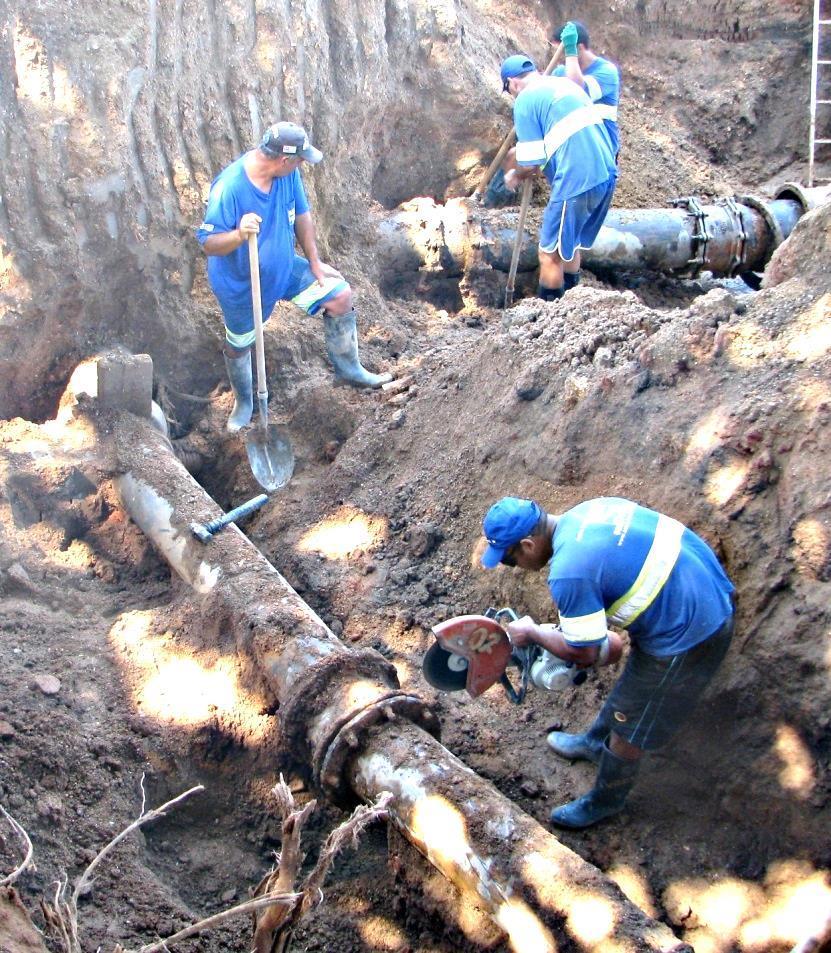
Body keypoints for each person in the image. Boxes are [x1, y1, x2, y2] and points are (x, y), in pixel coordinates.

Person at [480, 496, 735, 829]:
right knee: (635, 683)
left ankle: (606, 800)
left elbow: (584, 653)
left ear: (527, 545)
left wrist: (533, 633)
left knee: (632, 721)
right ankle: (594, 743)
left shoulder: (569, 573)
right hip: (699, 590)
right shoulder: (589, 510)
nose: (510, 567)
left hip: (691, 633)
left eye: (509, 560)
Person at [197, 121, 391, 432]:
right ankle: (245, 401)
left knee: (339, 295)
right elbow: (208, 243)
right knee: (240, 343)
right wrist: (238, 234)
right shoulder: (230, 186)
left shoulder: (288, 175)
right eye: (300, 159)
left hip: (285, 271)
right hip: (243, 286)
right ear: (284, 159)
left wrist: (314, 262)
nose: (302, 164)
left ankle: (350, 370)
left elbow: (302, 215)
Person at [500, 55, 617, 301]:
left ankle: (549, 316)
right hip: (605, 174)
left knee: (549, 254)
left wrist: (514, 175)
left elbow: (531, 163)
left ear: (512, 83)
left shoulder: (525, 100)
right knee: (570, 245)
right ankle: (572, 307)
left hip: (577, 179)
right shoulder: (565, 85)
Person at [552, 21, 620, 160]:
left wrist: (570, 52)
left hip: (601, 154)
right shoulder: (559, 72)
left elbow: (578, 90)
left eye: (564, 52)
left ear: (579, 48)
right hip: (572, 151)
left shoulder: (607, 71)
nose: (560, 58)